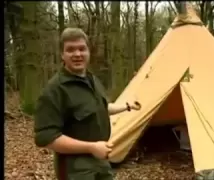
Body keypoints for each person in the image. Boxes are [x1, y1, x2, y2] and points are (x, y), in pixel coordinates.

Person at [33, 27, 141, 180]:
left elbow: (100, 108)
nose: (77, 54)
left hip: (101, 159)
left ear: (88, 52)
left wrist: (127, 106)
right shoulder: (54, 90)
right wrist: (91, 147)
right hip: (75, 169)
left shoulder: (92, 80)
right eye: (70, 50)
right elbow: (47, 138)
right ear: (62, 55)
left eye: (82, 49)